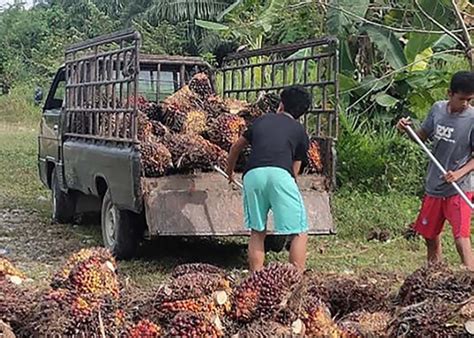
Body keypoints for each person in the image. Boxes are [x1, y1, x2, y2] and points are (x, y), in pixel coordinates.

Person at [226, 85, 311, 272]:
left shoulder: (261, 121)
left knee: (257, 232)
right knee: (298, 231)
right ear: (301, 113)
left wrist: (230, 172)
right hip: (281, 174)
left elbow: (235, 148)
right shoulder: (299, 131)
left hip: (252, 175)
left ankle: (256, 280)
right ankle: (295, 280)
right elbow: (294, 169)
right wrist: (287, 187)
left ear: (281, 105)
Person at [397, 71, 474, 271]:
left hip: (459, 188)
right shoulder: (437, 110)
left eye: (470, 100)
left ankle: (471, 281)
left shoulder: (472, 119)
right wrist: (408, 130)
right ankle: (435, 276)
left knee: (461, 238)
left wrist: (458, 174)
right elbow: (421, 137)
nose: (465, 103)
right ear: (450, 93)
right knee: (430, 236)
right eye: (462, 99)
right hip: (435, 185)